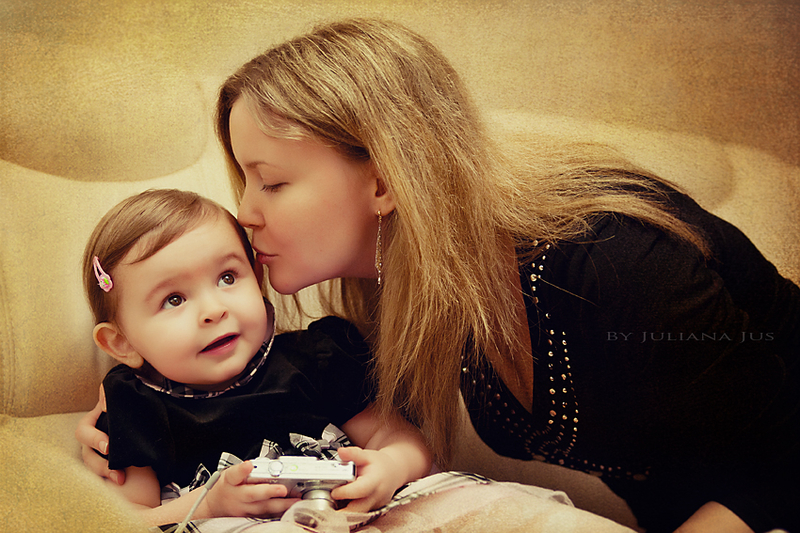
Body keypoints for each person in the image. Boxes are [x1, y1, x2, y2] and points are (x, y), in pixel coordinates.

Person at [78, 19, 799, 533]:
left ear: (384, 180)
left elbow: (783, 453)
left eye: (269, 180)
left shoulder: (612, 265)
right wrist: (140, 412)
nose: (245, 212)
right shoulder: (423, 297)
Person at [80, 188, 431, 527]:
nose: (214, 310)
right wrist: (209, 504)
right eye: (174, 300)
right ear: (121, 344)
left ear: (257, 278)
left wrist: (390, 467)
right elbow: (127, 521)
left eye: (227, 277)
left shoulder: (316, 360)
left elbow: (403, 441)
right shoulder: (137, 407)